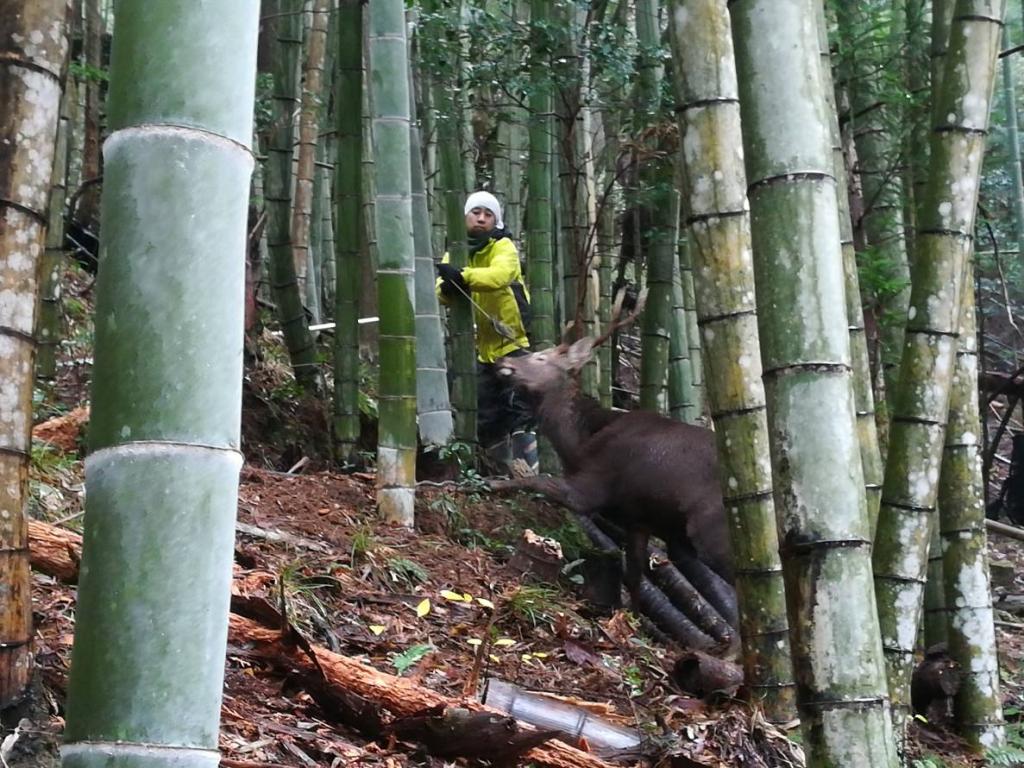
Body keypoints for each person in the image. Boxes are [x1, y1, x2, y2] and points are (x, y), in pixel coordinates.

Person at [436, 191, 538, 476]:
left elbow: (499, 276)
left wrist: (462, 278)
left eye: (488, 214)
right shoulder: (457, 249)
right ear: (466, 216)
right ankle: (499, 474)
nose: (481, 218)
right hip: (483, 348)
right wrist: (447, 288)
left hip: (515, 341)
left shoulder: (503, 246)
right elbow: (442, 289)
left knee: (521, 408)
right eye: (476, 212)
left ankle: (531, 476)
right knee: (486, 411)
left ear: (496, 220)